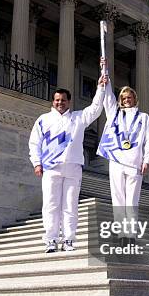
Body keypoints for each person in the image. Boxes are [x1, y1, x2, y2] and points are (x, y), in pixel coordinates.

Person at [29, 73, 108, 253]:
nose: (60, 103)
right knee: (50, 204)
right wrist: (36, 163)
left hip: (73, 167)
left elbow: (96, 108)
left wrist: (101, 87)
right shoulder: (43, 120)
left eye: (63, 100)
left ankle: (69, 240)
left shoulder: (78, 118)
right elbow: (34, 142)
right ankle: (50, 240)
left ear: (69, 102)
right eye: (57, 100)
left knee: (70, 205)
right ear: (53, 101)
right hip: (51, 167)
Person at [97, 79, 149, 238]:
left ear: (135, 99)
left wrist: (147, 160)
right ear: (120, 101)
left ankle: (131, 234)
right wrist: (106, 80)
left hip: (134, 163)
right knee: (117, 199)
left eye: (129, 98)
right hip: (116, 161)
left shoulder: (144, 118)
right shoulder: (114, 114)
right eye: (123, 98)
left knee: (132, 201)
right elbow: (108, 98)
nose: (126, 101)